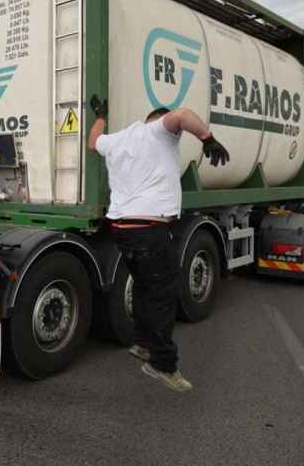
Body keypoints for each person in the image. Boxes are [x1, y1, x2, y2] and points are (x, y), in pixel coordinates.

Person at [87, 95, 229, 393]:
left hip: (121, 229)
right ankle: (162, 363)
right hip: (148, 229)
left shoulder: (117, 140)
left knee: (142, 285)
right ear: (161, 121)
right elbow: (183, 114)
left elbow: (93, 142)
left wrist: (100, 116)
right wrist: (208, 138)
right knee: (164, 293)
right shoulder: (159, 130)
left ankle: (141, 342)